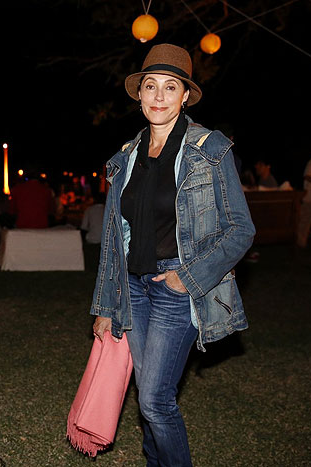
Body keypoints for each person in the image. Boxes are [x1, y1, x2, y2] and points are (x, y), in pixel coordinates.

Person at [89, 44, 255, 465]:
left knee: (156, 401)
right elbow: (113, 241)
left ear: (185, 96)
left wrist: (189, 277)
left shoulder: (209, 149)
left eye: (170, 87)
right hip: (133, 288)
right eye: (150, 86)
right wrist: (107, 305)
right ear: (139, 95)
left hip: (174, 288)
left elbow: (241, 229)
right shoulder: (125, 158)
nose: (159, 96)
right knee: (148, 397)